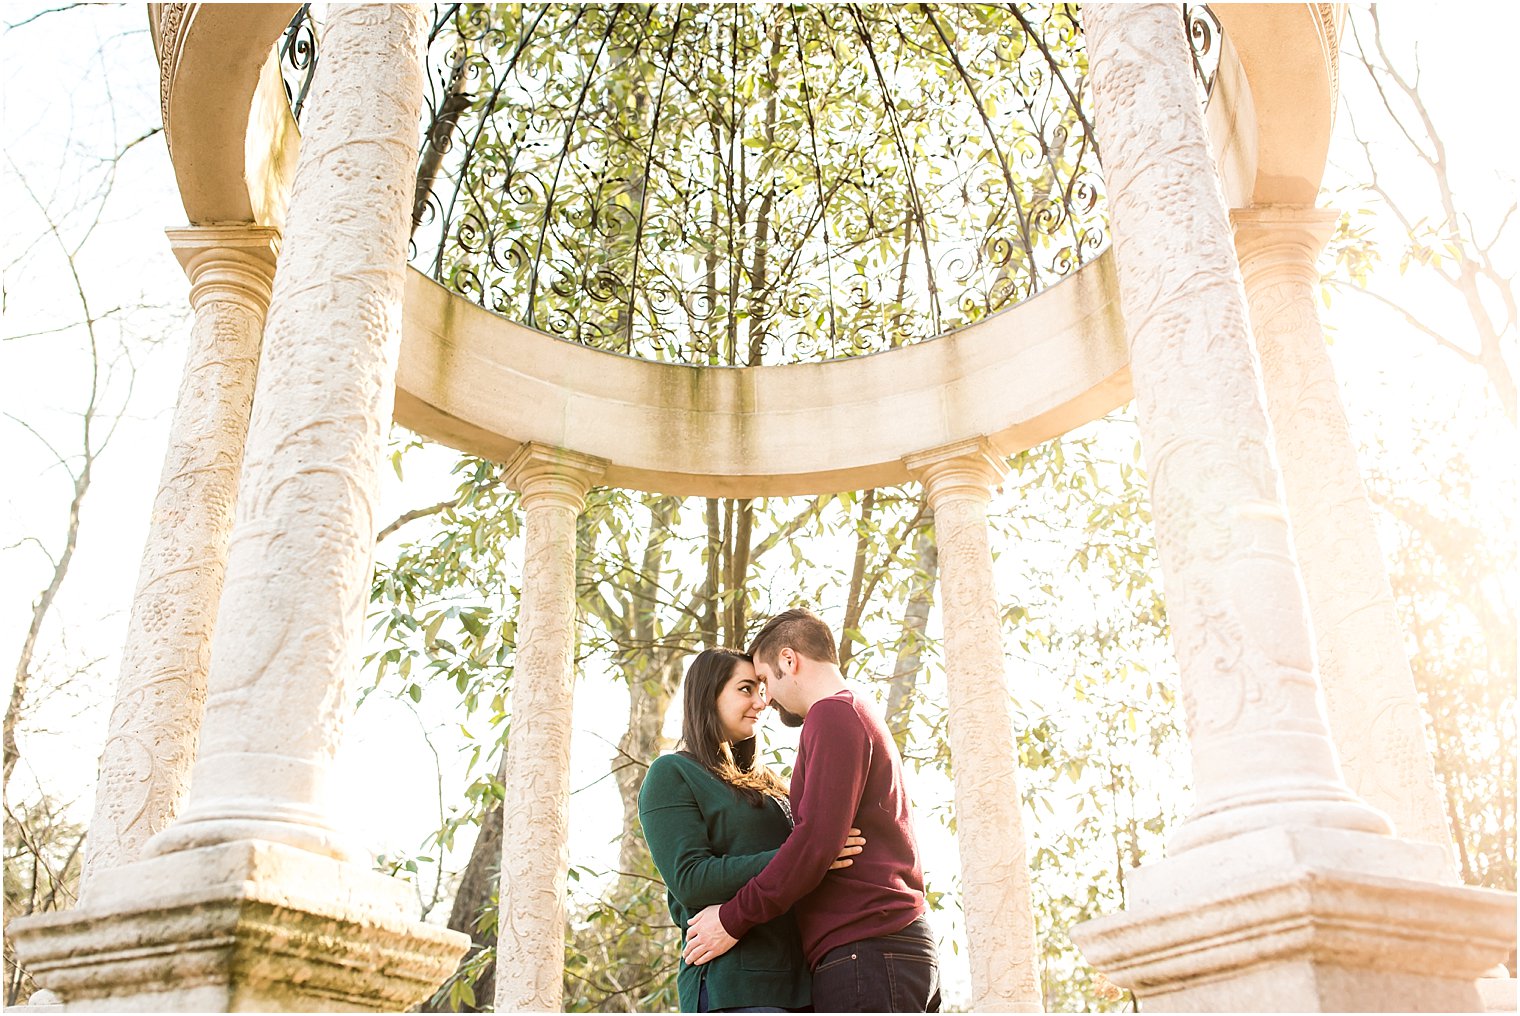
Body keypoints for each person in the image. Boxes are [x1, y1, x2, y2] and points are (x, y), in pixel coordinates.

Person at [682, 608, 941, 1012]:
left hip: (868, 950)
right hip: (883, 950)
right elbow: (820, 843)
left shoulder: (832, 713)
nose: (766, 699)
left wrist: (732, 919)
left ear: (789, 660)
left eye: (764, 681)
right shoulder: (854, 711)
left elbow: (815, 844)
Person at [639, 647, 866, 1013]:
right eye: (746, 689)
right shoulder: (672, 774)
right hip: (735, 989)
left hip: (807, 987)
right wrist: (807, 858)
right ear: (707, 694)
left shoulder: (773, 785)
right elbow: (691, 880)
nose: (761, 702)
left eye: (761, 690)